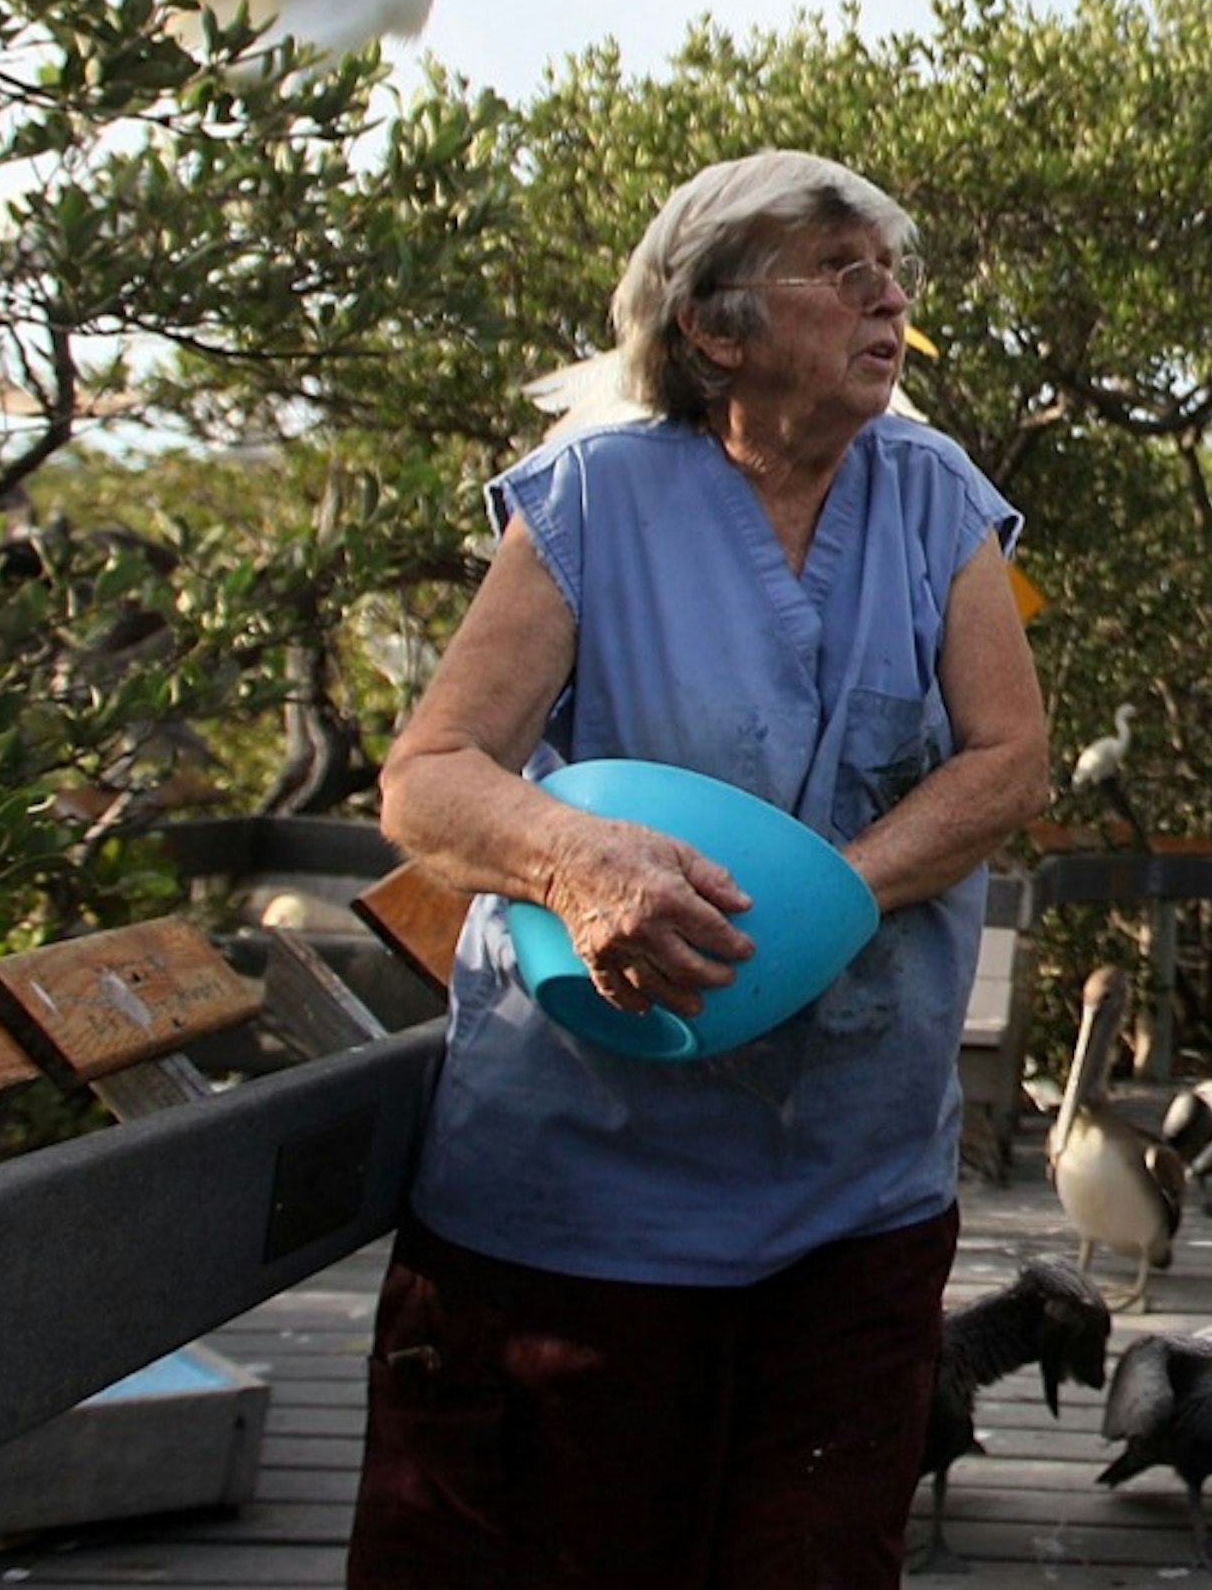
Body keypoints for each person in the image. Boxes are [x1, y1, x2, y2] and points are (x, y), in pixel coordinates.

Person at [349, 150, 1050, 1589]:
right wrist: (569, 858)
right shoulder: (593, 501)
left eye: (892, 269)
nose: (886, 294)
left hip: (852, 1200)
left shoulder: (936, 501)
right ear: (715, 331)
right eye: (836, 267)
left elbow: (1007, 764)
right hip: (573, 1199)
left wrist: (832, 898)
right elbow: (429, 778)